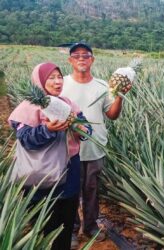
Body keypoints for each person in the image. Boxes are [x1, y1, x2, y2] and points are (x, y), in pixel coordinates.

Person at [8, 62, 91, 250]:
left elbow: (86, 130)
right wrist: (47, 129)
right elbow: (25, 139)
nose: (57, 82)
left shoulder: (68, 105)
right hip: (39, 176)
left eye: (59, 77)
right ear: (40, 81)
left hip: (68, 172)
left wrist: (82, 129)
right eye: (51, 78)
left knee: (65, 222)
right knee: (42, 225)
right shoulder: (27, 108)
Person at [60, 42, 131, 244]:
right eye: (76, 55)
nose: (81, 58)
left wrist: (120, 97)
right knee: (70, 191)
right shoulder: (62, 84)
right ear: (70, 60)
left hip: (95, 147)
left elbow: (112, 115)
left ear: (92, 59)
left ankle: (90, 227)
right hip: (68, 149)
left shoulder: (103, 86)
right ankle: (71, 230)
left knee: (91, 190)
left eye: (86, 55)